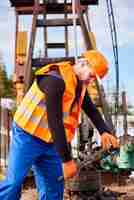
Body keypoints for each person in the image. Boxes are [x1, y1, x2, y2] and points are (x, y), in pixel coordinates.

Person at [0, 50, 118, 200]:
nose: (91, 81)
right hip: (26, 137)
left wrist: (104, 131)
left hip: (50, 142)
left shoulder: (79, 85)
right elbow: (55, 122)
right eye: (91, 76)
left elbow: (91, 110)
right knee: (13, 185)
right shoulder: (54, 80)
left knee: (53, 190)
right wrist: (67, 160)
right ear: (83, 63)